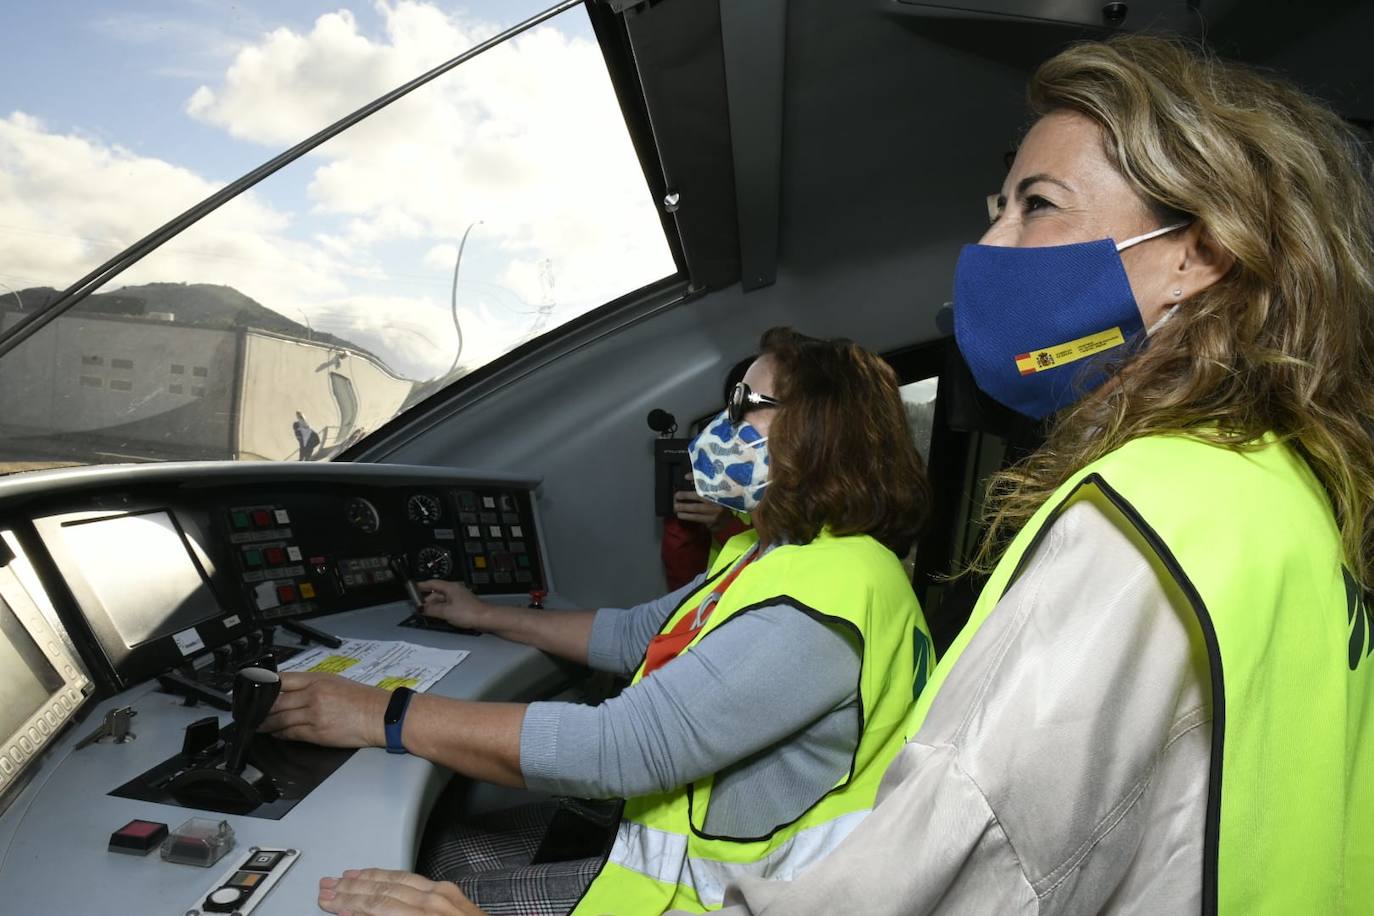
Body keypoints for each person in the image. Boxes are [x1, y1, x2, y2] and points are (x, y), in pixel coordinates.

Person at [315, 33, 1374, 916]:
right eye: (994, 207)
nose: (989, 246)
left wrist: (390, 715)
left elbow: (932, 882)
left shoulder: (1148, 513)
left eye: (1034, 205)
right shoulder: (1277, 496)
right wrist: (490, 616)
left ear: (1199, 252)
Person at [267, 327, 935, 914]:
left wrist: (383, 713)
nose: (719, 428)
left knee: (400, 881)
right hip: (677, 843)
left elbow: (622, 747)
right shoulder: (771, 554)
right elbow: (632, 635)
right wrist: (485, 615)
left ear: (821, 432)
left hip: (718, 893)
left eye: (746, 406)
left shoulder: (829, 591)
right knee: (448, 848)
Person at [661, 357, 755, 590]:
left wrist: (725, 525)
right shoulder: (719, 474)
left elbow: (778, 566)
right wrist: (682, 520)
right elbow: (682, 584)